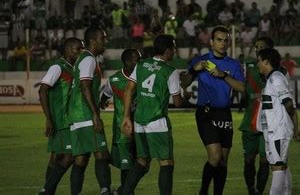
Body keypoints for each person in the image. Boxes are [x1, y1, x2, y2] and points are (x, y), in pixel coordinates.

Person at [180, 26, 245, 195]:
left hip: (224, 113)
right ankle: (203, 191)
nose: (223, 43)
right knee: (215, 156)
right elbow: (184, 83)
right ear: (211, 42)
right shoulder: (201, 61)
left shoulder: (233, 64)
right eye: (219, 40)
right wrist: (194, 69)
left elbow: (243, 88)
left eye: (225, 40)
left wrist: (224, 75)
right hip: (206, 112)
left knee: (223, 161)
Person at [122, 35, 185, 195]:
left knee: (142, 161)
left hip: (139, 121)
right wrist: (185, 94)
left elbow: (129, 89)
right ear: (168, 50)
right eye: (174, 48)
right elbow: (178, 102)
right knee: (166, 162)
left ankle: (124, 192)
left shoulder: (141, 65)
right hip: (157, 121)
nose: (175, 52)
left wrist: (126, 117)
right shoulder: (170, 71)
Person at [68, 27, 111, 195]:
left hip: (77, 114)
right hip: (86, 115)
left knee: (81, 158)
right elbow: (85, 86)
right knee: (101, 154)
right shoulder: (88, 59)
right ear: (93, 41)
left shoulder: (83, 59)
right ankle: (105, 190)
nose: (105, 42)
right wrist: (95, 114)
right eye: (103, 38)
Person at [38, 37, 83, 194]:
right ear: (69, 49)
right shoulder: (58, 67)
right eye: (78, 49)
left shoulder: (74, 67)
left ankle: (48, 190)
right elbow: (42, 89)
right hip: (61, 120)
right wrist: (49, 119)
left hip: (69, 119)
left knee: (56, 156)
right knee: (68, 156)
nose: (81, 52)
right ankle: (47, 190)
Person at [256, 48, 298, 195]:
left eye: (259, 61)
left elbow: (288, 103)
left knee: (277, 167)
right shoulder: (273, 78)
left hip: (278, 131)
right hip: (275, 131)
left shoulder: (276, 79)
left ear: (266, 62)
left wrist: (291, 126)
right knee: (282, 166)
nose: (258, 64)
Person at [100, 49, 141, 194]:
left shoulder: (143, 77)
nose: (140, 62)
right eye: (138, 59)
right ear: (128, 62)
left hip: (142, 128)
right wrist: (102, 102)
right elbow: (105, 95)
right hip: (123, 129)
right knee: (127, 166)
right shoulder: (115, 80)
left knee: (142, 164)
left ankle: (121, 191)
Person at [238, 36, 275, 195]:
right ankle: (251, 189)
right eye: (256, 46)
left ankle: (259, 190)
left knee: (264, 160)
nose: (257, 49)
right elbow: (243, 90)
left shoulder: (277, 71)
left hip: (268, 123)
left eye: (261, 46)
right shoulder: (248, 67)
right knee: (248, 160)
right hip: (250, 122)